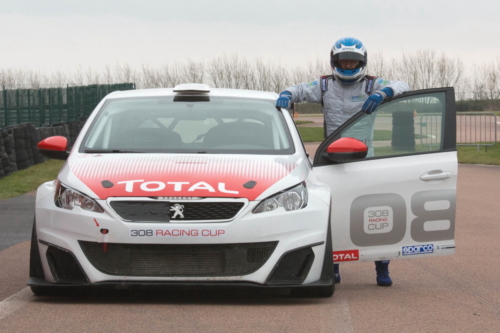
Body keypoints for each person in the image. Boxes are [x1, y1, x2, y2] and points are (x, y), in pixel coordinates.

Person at [276, 37, 410, 287]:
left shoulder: (372, 85)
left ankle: (382, 267)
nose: (348, 66)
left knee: (375, 215)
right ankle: (333, 266)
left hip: (365, 159)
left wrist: (384, 93)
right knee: (331, 215)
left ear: (363, 62)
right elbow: (298, 90)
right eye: (343, 61)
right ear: (334, 62)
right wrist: (286, 94)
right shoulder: (324, 84)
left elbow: (404, 84)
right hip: (332, 159)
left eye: (353, 62)